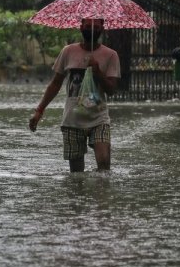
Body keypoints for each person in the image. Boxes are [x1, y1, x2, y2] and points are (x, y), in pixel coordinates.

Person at [29, 18, 121, 173]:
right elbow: (55, 84)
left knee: (104, 168)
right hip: (72, 120)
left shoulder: (110, 55)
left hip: (99, 119)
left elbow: (111, 90)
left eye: (96, 26)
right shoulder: (68, 51)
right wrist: (39, 111)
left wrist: (98, 72)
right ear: (80, 27)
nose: (91, 29)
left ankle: (101, 197)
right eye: (87, 26)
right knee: (76, 176)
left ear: (102, 28)